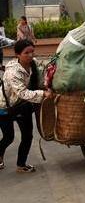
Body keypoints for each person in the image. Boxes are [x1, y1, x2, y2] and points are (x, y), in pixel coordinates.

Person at [0, 39, 51, 173]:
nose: (30, 55)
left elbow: (41, 80)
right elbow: (22, 93)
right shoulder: (13, 72)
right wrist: (43, 94)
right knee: (8, 137)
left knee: (28, 136)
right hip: (4, 107)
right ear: (17, 54)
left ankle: (21, 165)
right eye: (26, 53)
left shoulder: (33, 65)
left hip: (23, 106)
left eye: (32, 52)